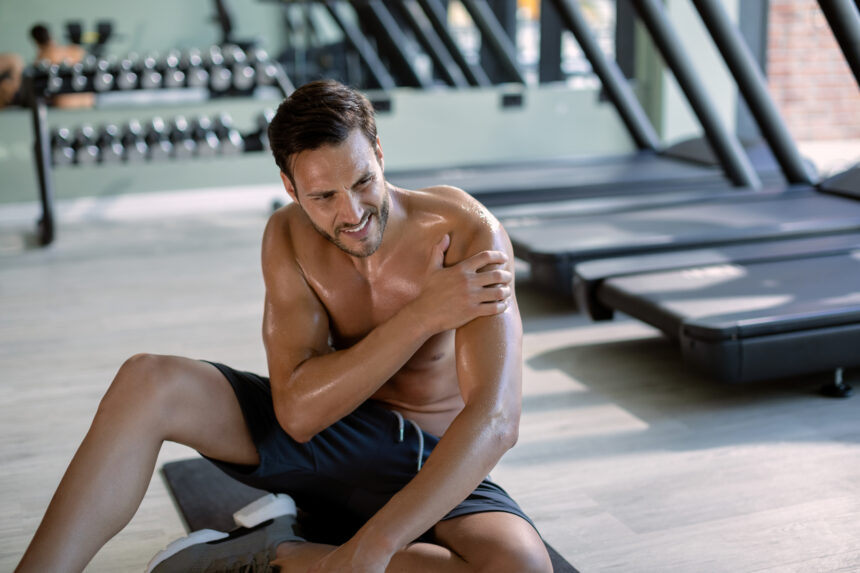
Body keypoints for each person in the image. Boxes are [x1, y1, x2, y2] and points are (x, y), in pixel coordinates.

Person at [16, 80, 552, 573]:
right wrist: (422, 315)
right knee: (146, 381)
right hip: (323, 440)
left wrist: (374, 548)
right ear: (291, 188)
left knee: (521, 567)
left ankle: (287, 554)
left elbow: (498, 419)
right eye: (324, 197)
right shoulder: (287, 237)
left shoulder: (464, 232)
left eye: (364, 181)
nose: (354, 212)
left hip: (423, 462)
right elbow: (296, 415)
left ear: (380, 154)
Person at [29, 23, 93, 109]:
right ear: (52, 36)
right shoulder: (76, 50)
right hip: (88, 102)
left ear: (36, 42)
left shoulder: (42, 58)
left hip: (65, 104)